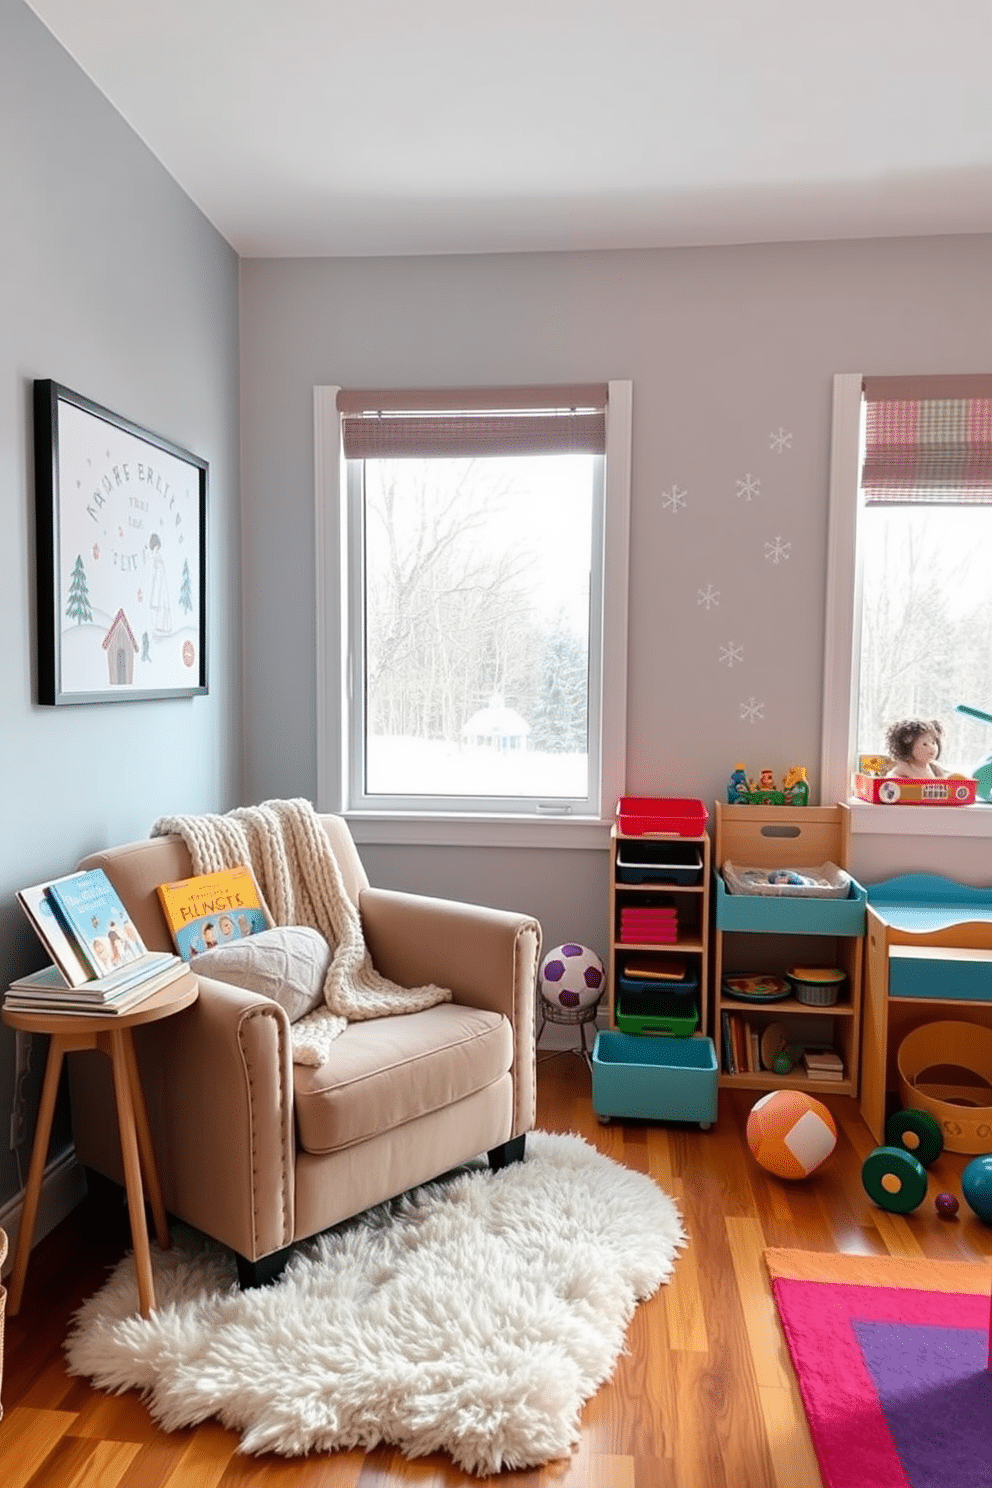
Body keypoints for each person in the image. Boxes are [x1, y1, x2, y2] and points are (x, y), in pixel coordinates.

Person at [885, 718, 949, 779]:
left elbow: (945, 783)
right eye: (925, 744)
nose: (932, 747)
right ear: (906, 748)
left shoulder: (934, 768)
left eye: (933, 742)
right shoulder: (904, 767)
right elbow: (890, 780)